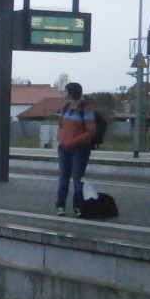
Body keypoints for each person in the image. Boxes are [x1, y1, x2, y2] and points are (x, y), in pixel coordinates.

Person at [54, 81, 97, 217]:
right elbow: (60, 126)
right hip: (64, 148)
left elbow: (91, 130)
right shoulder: (65, 108)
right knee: (63, 178)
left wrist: (74, 142)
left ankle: (78, 206)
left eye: (65, 90)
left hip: (80, 149)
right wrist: (60, 139)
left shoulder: (86, 110)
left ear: (71, 92)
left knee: (78, 178)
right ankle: (60, 206)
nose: (63, 92)